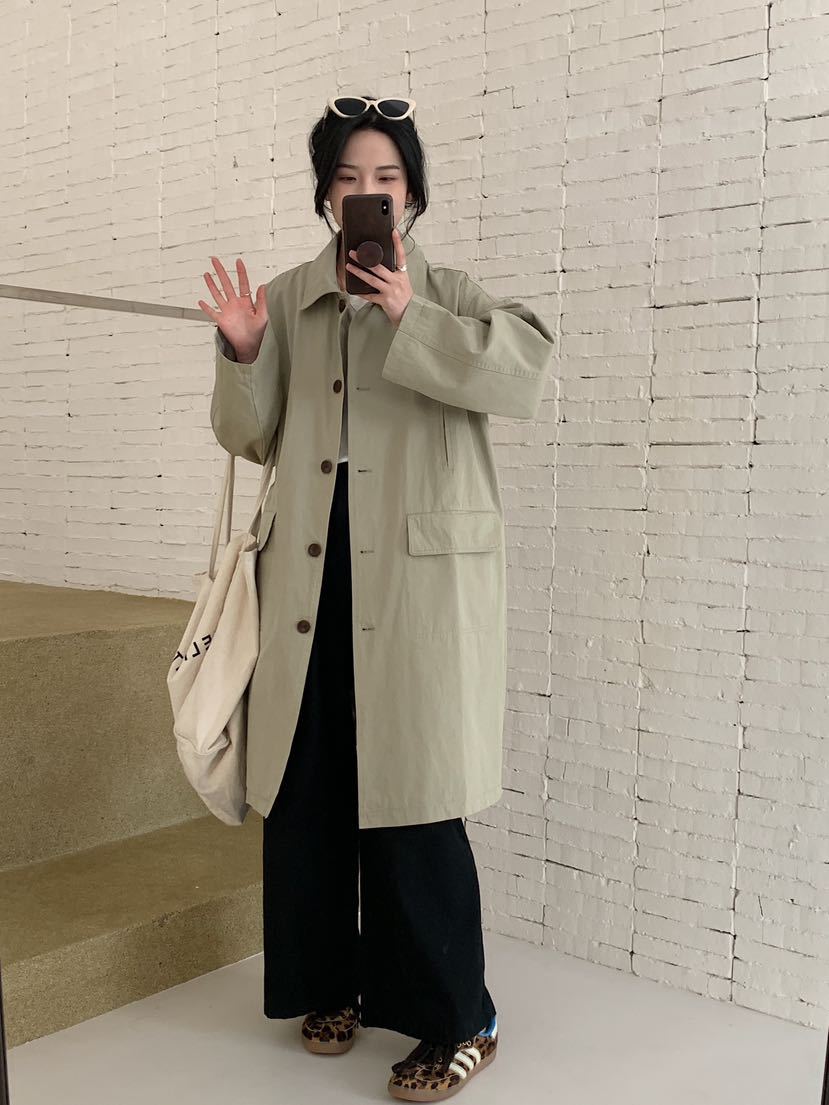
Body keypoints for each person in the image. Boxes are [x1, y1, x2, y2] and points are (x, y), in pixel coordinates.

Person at [198, 93, 554, 1102]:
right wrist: (243, 349)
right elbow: (248, 435)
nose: (367, 193)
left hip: (415, 582)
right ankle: (329, 984)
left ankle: (460, 1015)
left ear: (412, 196)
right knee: (308, 782)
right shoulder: (288, 299)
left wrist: (409, 315)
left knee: (412, 796)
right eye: (348, 178)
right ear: (325, 195)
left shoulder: (452, 294)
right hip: (308, 573)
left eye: (385, 179)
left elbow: (521, 375)